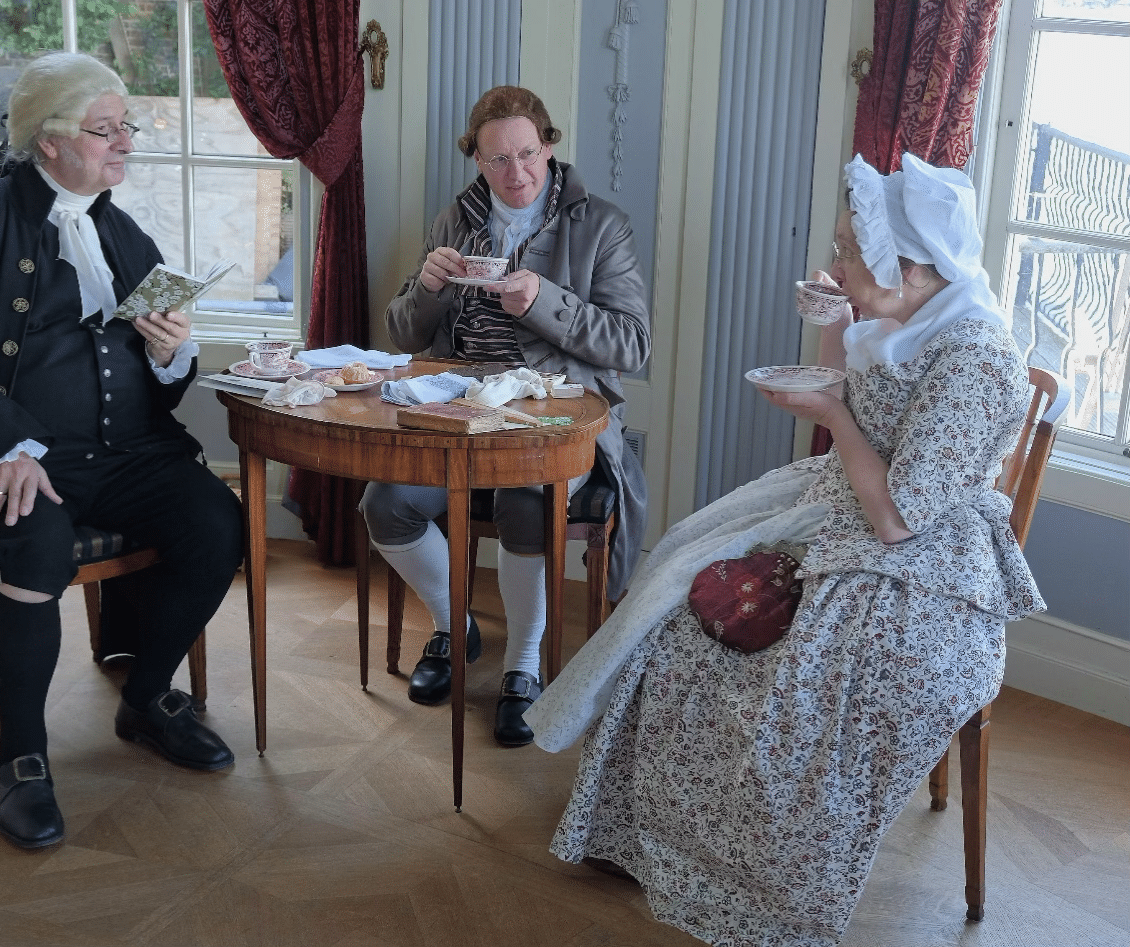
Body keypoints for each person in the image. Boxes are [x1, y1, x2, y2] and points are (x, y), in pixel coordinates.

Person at [525, 153, 1046, 945]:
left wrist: (830, 414)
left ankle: (760, 880)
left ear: (910, 269)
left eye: (849, 251)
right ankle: (648, 834)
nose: (836, 261)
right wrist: (836, 323)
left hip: (922, 566)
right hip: (845, 501)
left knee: (794, 686)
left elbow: (896, 518)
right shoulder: (907, 311)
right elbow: (849, 395)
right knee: (675, 607)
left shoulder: (975, 361)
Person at [0, 52, 244, 850]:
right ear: (48, 141)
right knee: (32, 540)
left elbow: (159, 385)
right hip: (11, 459)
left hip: (127, 454)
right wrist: (4, 446)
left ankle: (146, 698)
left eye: (127, 126)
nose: (126, 143)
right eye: (105, 129)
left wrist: (170, 352)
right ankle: (23, 757)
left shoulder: (123, 231)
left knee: (216, 525)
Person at [359, 86, 651, 747]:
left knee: (526, 504)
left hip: (554, 418)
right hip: (457, 414)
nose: (515, 173)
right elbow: (404, 334)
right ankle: (452, 623)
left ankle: (522, 666)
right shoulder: (453, 221)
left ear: (548, 146)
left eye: (527, 154)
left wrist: (544, 301)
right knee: (386, 504)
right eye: (497, 159)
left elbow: (632, 345)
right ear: (476, 159)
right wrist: (427, 287)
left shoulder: (601, 225)